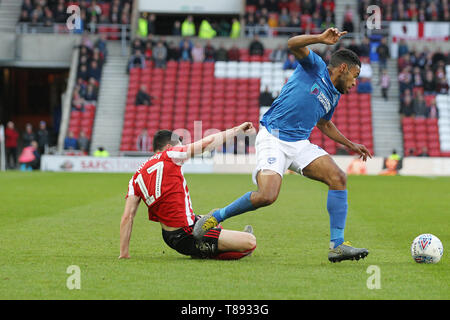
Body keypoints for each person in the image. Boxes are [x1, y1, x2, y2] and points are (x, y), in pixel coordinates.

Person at [194, 28, 372, 263]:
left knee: (338, 177)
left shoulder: (334, 95)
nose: (355, 83)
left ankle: (337, 245)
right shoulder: (315, 66)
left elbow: (324, 124)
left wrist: (351, 144)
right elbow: (292, 43)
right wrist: (320, 38)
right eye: (355, 76)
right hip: (274, 136)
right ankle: (216, 216)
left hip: (299, 143)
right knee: (267, 195)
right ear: (343, 68)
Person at [119, 123, 257, 260]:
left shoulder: (136, 177)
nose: (182, 148)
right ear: (168, 147)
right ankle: (207, 250)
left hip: (169, 236)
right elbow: (206, 143)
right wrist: (236, 130)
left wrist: (124, 253)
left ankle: (210, 244)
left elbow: (127, 217)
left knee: (212, 218)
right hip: (186, 233)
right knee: (250, 242)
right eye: (180, 145)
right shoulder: (170, 155)